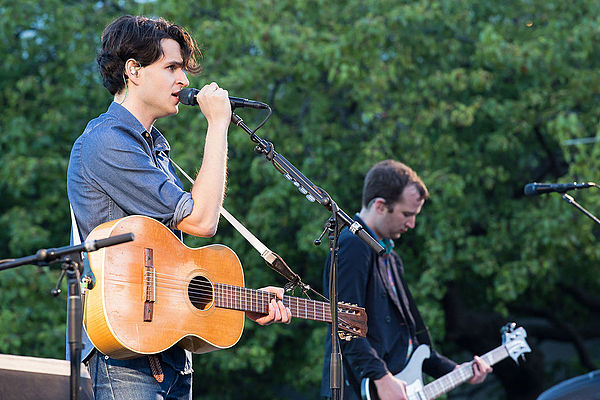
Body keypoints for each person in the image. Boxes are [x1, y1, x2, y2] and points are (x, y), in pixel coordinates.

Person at [67, 15, 291, 400]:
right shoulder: (106, 142)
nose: (185, 81)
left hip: (168, 348)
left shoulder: (154, 146)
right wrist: (217, 126)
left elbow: (171, 266)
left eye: (183, 70)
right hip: (124, 351)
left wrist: (241, 299)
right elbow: (202, 221)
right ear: (133, 71)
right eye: (171, 67)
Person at [320, 160, 491, 400]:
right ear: (380, 205)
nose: (411, 224)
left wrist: (453, 370)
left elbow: (409, 341)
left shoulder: (391, 257)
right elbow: (344, 325)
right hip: (356, 391)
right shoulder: (353, 245)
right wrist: (380, 377)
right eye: (407, 214)